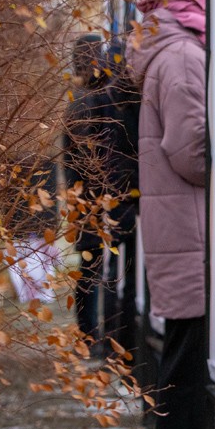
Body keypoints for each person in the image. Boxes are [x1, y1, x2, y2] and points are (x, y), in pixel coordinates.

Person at [128, 0, 215, 429]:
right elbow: (191, 152)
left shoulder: (164, 44)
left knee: (185, 362)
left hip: (178, 226)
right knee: (189, 369)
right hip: (190, 229)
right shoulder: (185, 55)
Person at [63, 34, 138, 359]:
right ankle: (102, 341)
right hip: (108, 198)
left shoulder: (77, 100)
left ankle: (89, 338)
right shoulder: (106, 100)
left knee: (91, 269)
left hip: (85, 198)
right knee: (109, 272)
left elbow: (75, 159)